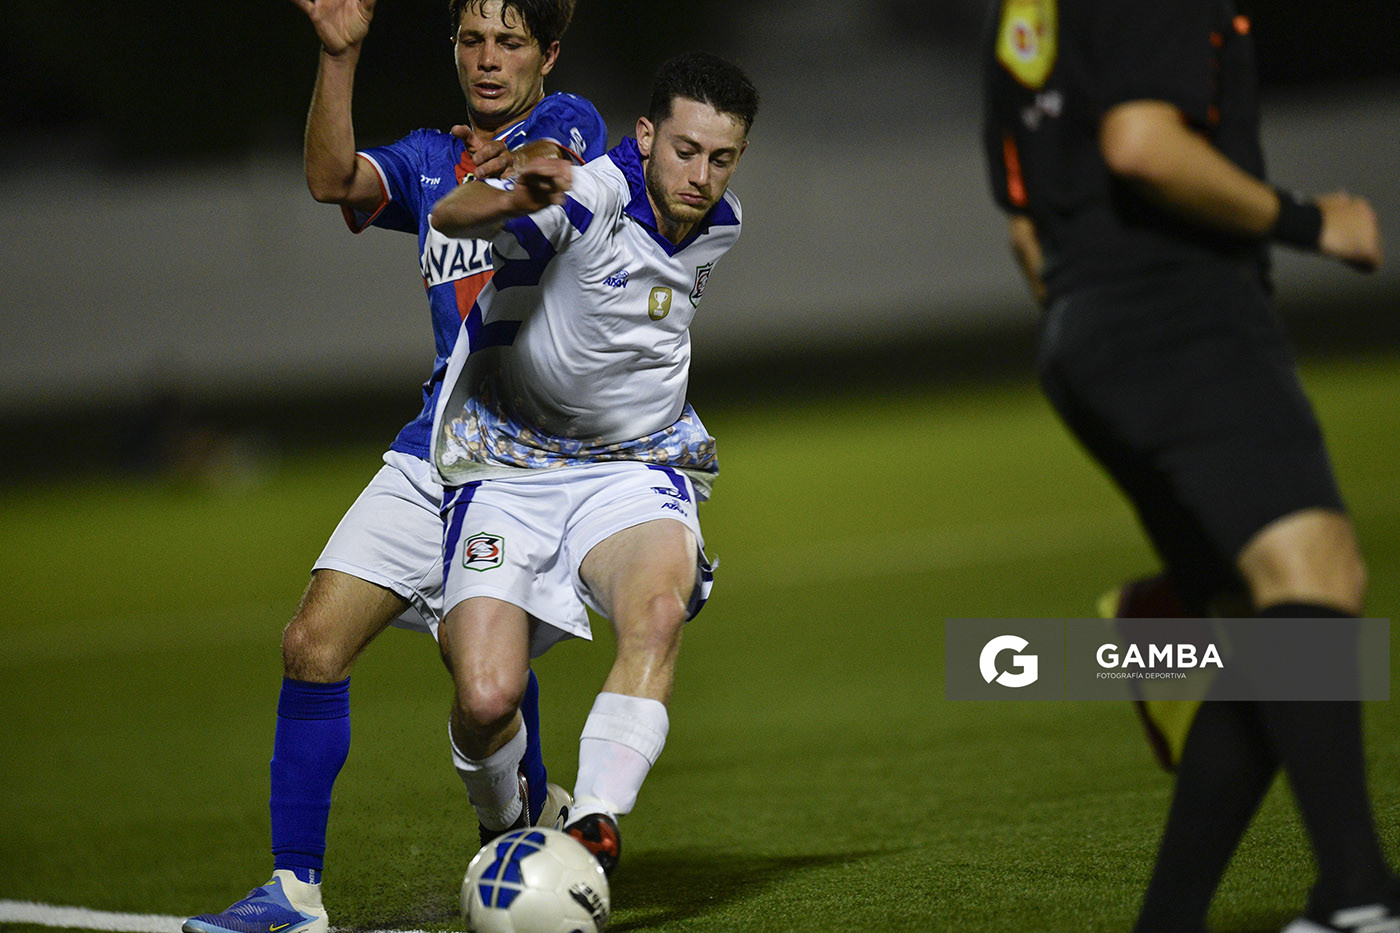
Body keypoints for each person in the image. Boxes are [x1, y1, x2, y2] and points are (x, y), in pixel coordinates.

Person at [184, 2, 605, 932]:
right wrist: (339, 55)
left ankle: (517, 822)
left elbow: (551, 159)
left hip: (523, 468)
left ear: (547, 55)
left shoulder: (572, 121)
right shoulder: (425, 157)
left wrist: (507, 163)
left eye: (510, 42)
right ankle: (295, 892)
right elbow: (329, 177)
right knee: (312, 644)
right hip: (431, 449)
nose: (487, 59)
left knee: (481, 685)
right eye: (471, 40)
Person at [981, 2, 1395, 931]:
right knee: (1316, 579)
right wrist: (1313, 221)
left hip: (1083, 330)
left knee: (1261, 628)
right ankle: (1358, 897)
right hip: (1183, 319)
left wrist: (1104, 333)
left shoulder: (1024, 14)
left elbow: (1025, 232)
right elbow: (1141, 144)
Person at [422, 50, 758, 877]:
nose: (701, 176)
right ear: (644, 135)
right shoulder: (593, 195)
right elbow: (457, 215)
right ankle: (504, 819)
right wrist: (517, 195)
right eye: (685, 150)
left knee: (660, 612)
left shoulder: (722, 223)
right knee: (485, 697)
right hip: (511, 464)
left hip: (633, 466)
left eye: (721, 158)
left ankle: (595, 825)